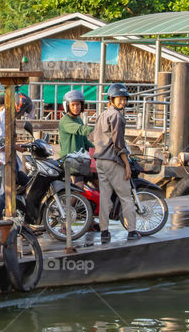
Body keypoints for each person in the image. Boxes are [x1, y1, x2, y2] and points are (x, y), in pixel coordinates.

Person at [91, 83, 139, 242]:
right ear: (111, 99)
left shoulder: (102, 115)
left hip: (100, 161)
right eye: (119, 99)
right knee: (126, 197)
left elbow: (93, 137)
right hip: (112, 161)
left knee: (105, 197)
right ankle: (132, 231)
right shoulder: (117, 116)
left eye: (125, 99)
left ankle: (104, 232)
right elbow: (119, 144)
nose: (123, 102)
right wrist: (126, 164)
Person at [59, 89, 93, 157]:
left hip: (80, 158)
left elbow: (85, 141)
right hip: (69, 159)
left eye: (78, 104)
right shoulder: (65, 120)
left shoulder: (79, 119)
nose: (76, 107)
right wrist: (98, 130)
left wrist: (97, 150)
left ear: (81, 105)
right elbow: (81, 129)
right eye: (73, 105)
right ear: (67, 106)